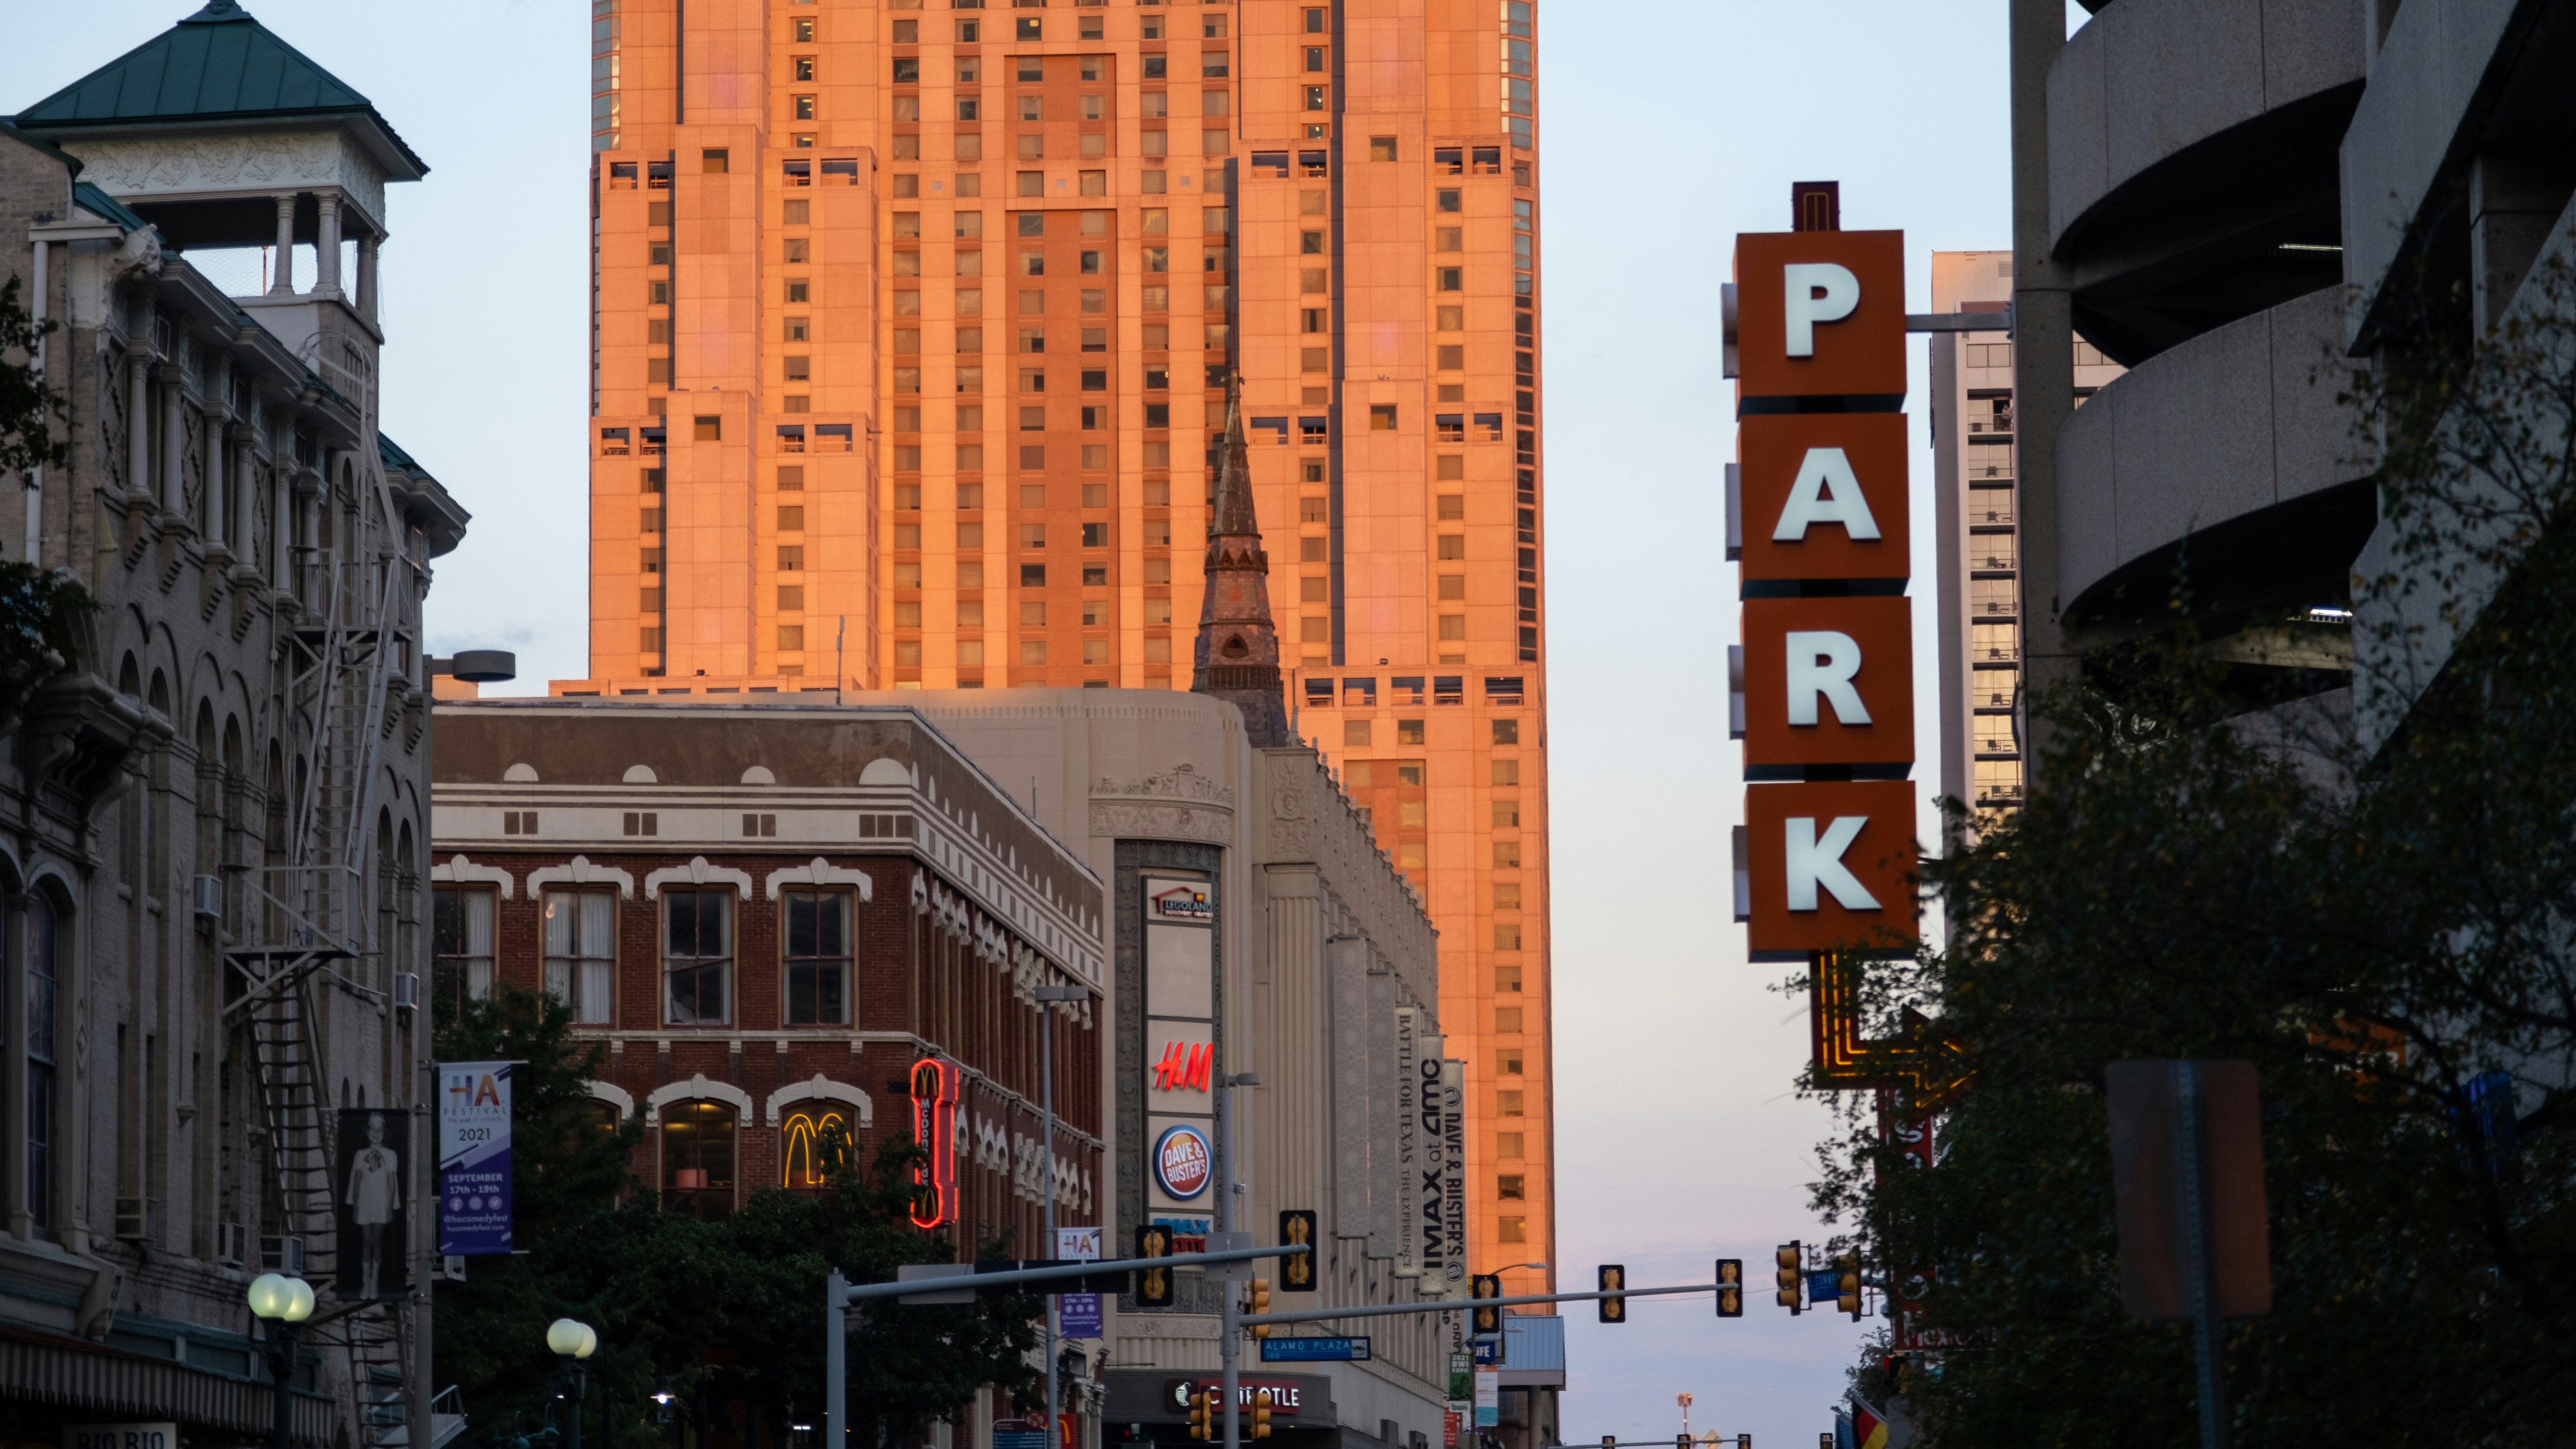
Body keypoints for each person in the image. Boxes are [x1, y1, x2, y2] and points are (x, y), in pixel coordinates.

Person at [346, 1110, 401, 1299]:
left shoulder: (391, 1155)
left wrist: (390, 1207)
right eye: (373, 1130)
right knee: (366, 1240)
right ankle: (365, 1281)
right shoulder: (361, 1155)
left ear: (384, 1133)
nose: (376, 1133)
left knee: (377, 1241)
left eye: (380, 1130)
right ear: (367, 1132)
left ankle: (375, 1281)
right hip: (365, 1202)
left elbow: (392, 1183)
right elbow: (357, 1181)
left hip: (381, 1201)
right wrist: (355, 1206)